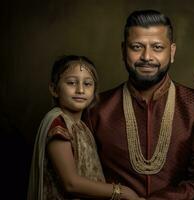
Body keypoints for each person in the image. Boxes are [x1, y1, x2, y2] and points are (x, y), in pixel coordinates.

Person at [88, 10, 194, 199]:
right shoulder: (96, 109)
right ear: (123, 50)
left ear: (172, 51)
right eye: (136, 47)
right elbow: (82, 178)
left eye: (157, 47)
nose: (146, 56)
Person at [27, 55, 144, 200]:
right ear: (54, 89)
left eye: (87, 84)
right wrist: (121, 192)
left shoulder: (83, 126)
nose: (80, 90)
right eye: (71, 83)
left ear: (94, 91)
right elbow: (71, 184)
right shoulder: (58, 124)